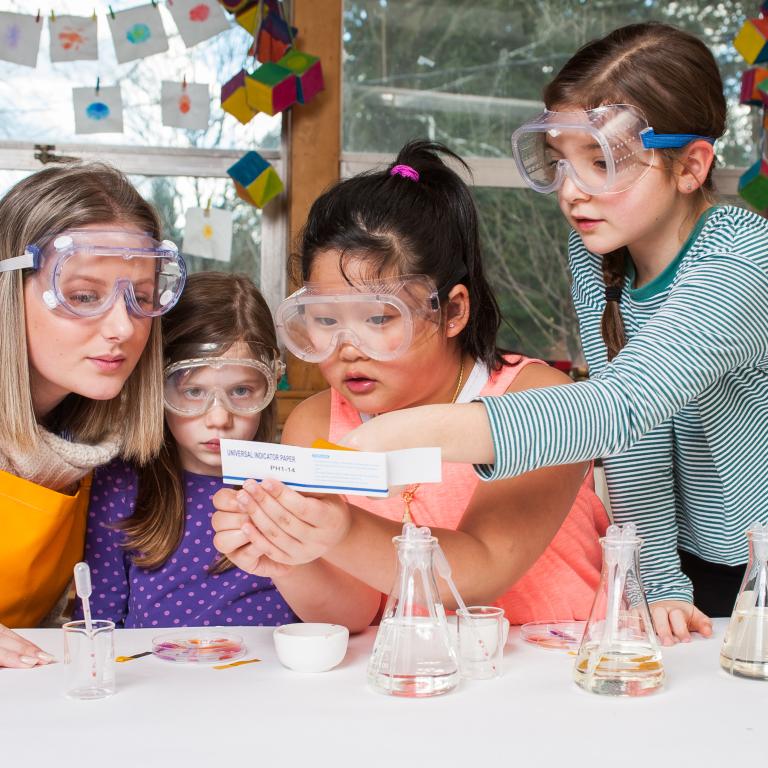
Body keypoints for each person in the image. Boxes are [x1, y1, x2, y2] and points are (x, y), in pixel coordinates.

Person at [336, 23, 768, 646]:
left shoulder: (742, 262)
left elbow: (616, 409)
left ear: (691, 166)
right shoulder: (600, 254)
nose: (570, 191)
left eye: (602, 163)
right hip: (706, 560)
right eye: (562, 161)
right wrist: (662, 582)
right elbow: (634, 441)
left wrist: (400, 433)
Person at [210, 141, 608, 623]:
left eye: (379, 318)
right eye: (323, 320)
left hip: (556, 669)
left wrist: (339, 530)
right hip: (414, 679)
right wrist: (287, 555)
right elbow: (354, 614)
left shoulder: (539, 400)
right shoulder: (317, 421)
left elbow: (482, 567)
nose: (346, 347)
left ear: (454, 310)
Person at [78, 272, 374, 631]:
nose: (218, 418)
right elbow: (95, 622)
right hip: (158, 683)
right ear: (158, 386)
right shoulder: (121, 485)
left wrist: (287, 553)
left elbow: (350, 619)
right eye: (192, 392)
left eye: (241, 392)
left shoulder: (295, 486)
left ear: (269, 385)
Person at [0, 163, 184, 667]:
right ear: (7, 292)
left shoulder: (95, 438)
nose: (124, 327)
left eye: (141, 298)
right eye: (83, 296)